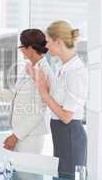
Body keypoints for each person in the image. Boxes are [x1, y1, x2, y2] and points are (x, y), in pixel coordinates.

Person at [28, 20, 88, 173]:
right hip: (62, 133)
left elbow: (67, 116)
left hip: (70, 133)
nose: (46, 46)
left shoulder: (75, 72)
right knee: (61, 175)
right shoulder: (63, 67)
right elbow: (55, 92)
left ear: (59, 42)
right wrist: (38, 80)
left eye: (48, 41)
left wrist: (44, 93)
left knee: (67, 176)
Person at [0, 29, 53, 154]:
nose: (20, 49)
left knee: (26, 173)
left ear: (31, 48)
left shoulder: (44, 72)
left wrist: (16, 136)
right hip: (20, 134)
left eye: (22, 46)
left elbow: (39, 111)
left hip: (30, 137)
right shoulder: (28, 67)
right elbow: (15, 96)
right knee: (17, 172)